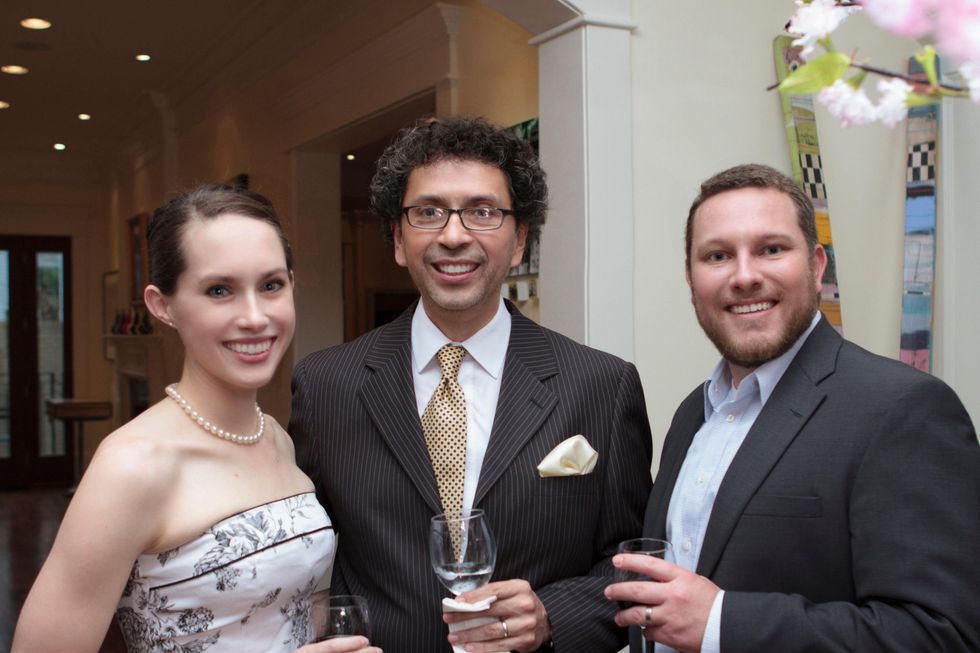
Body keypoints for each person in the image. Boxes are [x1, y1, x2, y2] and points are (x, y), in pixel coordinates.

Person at [289, 116, 653, 652]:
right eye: (428, 212)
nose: (454, 236)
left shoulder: (602, 385)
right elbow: (300, 559)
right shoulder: (326, 386)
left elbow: (632, 563)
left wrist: (552, 615)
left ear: (519, 238)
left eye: (482, 212)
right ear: (397, 238)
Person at [605, 163, 980, 652]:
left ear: (817, 266)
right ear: (691, 277)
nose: (744, 276)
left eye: (772, 250)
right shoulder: (692, 414)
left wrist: (723, 623)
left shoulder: (903, 409)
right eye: (717, 255)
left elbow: (943, 635)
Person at [12, 185, 380, 653]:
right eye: (219, 290)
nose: (255, 316)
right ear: (162, 305)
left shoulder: (276, 438)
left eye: (271, 285)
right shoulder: (133, 465)